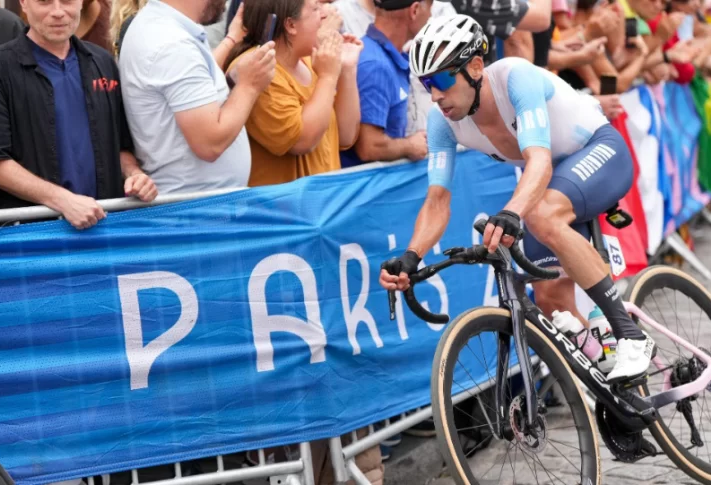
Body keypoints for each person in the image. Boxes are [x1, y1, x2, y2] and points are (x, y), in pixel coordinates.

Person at [379, 14, 655, 383]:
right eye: (427, 83)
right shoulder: (441, 121)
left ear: (476, 66)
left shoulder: (514, 77)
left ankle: (630, 335)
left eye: (443, 78)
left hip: (599, 150)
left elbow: (538, 160)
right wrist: (412, 256)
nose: (436, 94)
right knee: (549, 297)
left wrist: (511, 212)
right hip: (554, 179)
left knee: (538, 215)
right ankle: (614, 387)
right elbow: (437, 200)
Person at [0, 0, 157, 228]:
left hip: (105, 226)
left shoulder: (103, 63)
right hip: (35, 236)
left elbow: (120, 146)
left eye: (67, 1)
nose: (58, 12)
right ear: (24, 3)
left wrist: (134, 175)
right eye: (45, 2)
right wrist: (63, 201)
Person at [119, 0, 275, 194]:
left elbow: (199, 100)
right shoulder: (171, 43)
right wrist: (249, 86)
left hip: (201, 207)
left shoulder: (168, 31)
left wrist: (235, 79)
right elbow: (210, 144)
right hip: (194, 212)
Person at [227, 0, 361, 187]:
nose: (325, 14)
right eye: (316, 8)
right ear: (290, 25)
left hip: (324, 207)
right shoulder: (258, 69)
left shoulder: (311, 61)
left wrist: (347, 69)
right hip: (283, 211)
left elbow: (346, 136)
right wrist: (328, 78)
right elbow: (302, 141)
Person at [340, 0, 445, 168]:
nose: (431, 16)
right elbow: (369, 147)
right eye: (429, 7)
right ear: (415, 11)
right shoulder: (375, 65)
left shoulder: (381, 56)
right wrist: (408, 146)